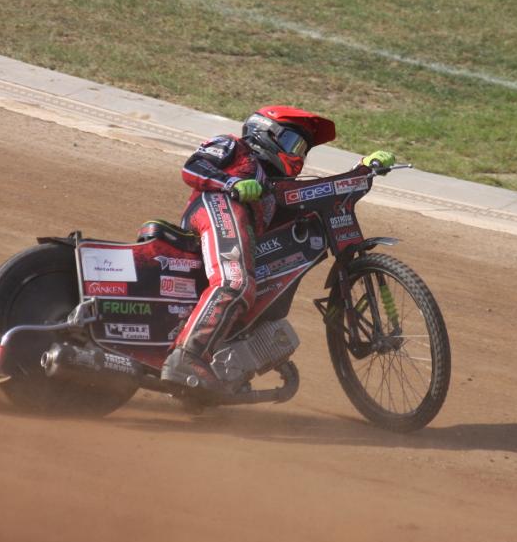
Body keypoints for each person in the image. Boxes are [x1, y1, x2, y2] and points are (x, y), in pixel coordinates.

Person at [160, 105, 395, 392]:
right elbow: (193, 167)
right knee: (235, 283)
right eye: (292, 143)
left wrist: (363, 169)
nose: (298, 154)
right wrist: (232, 183)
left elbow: (318, 200)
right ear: (265, 133)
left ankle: (222, 360)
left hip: (240, 223)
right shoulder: (234, 146)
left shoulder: (277, 188)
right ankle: (187, 357)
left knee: (254, 290)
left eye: (303, 149)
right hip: (218, 204)